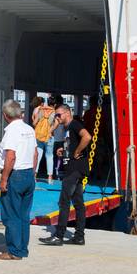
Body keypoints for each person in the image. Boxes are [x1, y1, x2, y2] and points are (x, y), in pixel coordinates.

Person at [0, 99, 38, 261]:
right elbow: (35, 154)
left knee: (11, 214)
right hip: (28, 173)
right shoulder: (29, 129)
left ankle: (14, 251)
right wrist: (33, 174)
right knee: (23, 215)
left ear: (5, 115)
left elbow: (11, 157)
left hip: (16, 175)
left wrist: (4, 179)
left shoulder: (12, 132)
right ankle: (22, 249)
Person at [42, 103, 90, 246]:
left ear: (67, 113)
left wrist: (77, 152)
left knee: (64, 201)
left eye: (58, 115)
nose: (57, 117)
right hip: (76, 168)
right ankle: (79, 236)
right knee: (78, 203)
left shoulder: (74, 124)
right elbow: (72, 143)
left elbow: (87, 137)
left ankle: (59, 235)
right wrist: (64, 151)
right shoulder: (67, 128)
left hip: (75, 169)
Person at [31, 97, 57, 184]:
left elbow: (34, 123)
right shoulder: (54, 112)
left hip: (39, 136)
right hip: (49, 137)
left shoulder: (41, 110)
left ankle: (34, 176)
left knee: (38, 155)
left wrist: (39, 128)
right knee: (49, 156)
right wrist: (50, 131)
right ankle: (50, 177)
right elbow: (56, 123)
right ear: (55, 104)